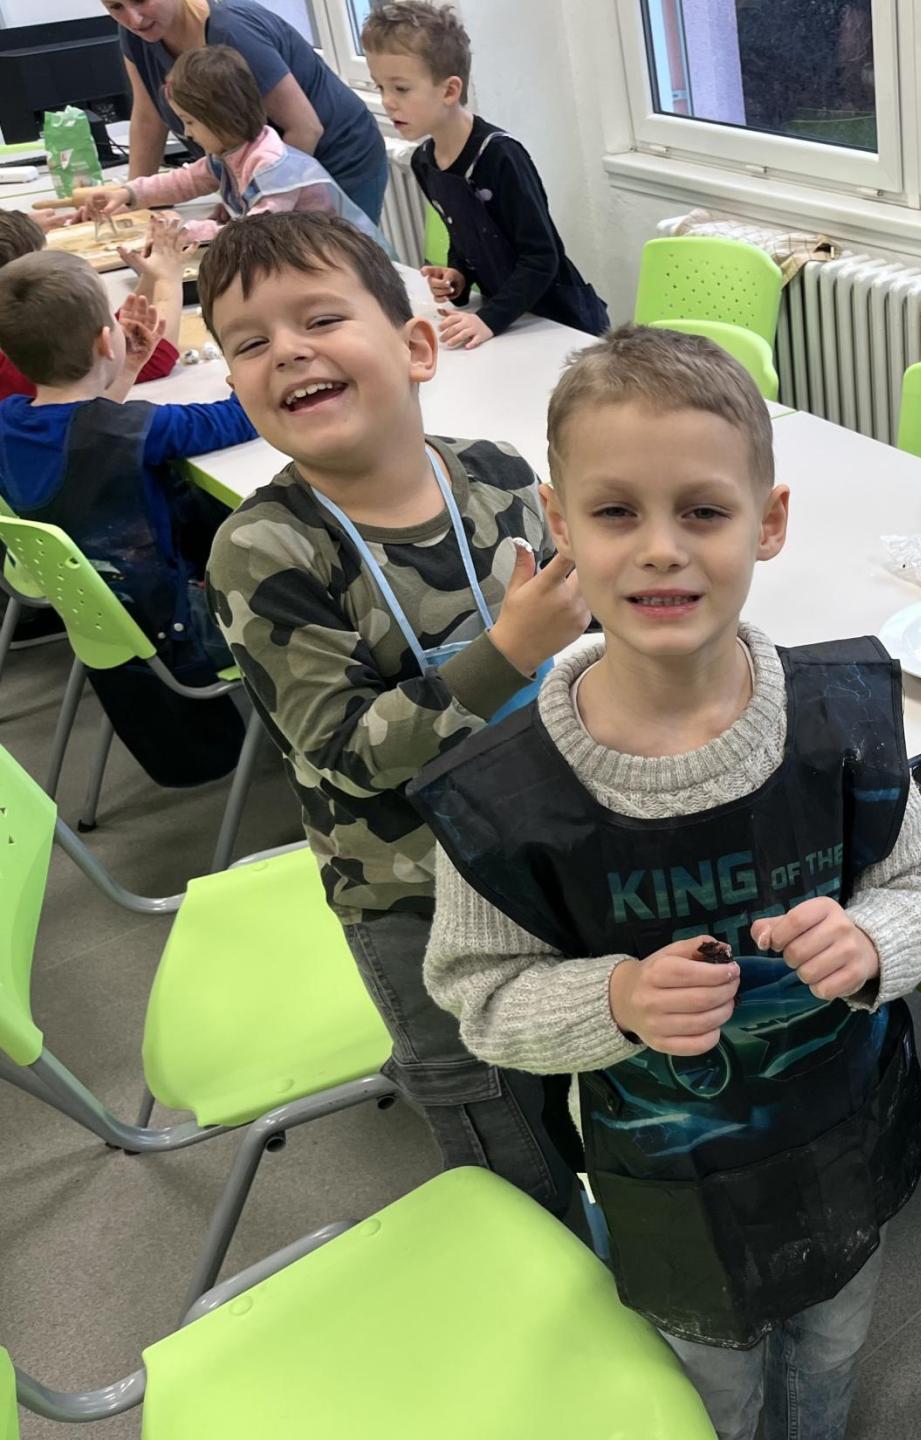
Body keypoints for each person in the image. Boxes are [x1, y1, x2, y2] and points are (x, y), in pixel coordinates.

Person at [412, 325, 921, 1440]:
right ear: (560, 525)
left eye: (703, 512)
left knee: (832, 1349)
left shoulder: (841, 722)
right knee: (710, 1389)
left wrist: (873, 942)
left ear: (769, 521)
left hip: (841, 1144)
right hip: (672, 1192)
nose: (661, 549)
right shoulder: (509, 791)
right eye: (616, 513)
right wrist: (615, 998)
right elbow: (479, 996)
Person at [199, 212, 593, 1218]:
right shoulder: (265, 549)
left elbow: (582, 625)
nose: (287, 350)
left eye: (320, 318)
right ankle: (537, 1257)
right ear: (237, 389)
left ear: (418, 346)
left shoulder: (499, 473)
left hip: (542, 848)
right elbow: (343, 749)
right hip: (411, 897)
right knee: (495, 1124)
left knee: (573, 1061)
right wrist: (510, 649)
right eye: (250, 342)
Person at [0, 248, 254, 784]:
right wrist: (251, 372)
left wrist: (128, 368)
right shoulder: (136, 429)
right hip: (184, 630)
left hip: (113, 625)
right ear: (104, 340)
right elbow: (236, 419)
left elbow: (80, 431)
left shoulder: (10, 421)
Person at [360, 1, 609, 348]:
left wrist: (489, 320)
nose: (388, 101)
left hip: (560, 321)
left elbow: (542, 258)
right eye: (380, 88)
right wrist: (458, 275)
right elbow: (465, 235)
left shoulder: (500, 156)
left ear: (450, 91)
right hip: (508, 321)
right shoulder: (424, 162)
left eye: (401, 88)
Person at [107, 0, 387, 224]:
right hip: (262, 171)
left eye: (141, 0)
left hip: (336, 153)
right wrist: (132, 201)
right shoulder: (137, 34)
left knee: (339, 258)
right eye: (115, 6)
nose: (134, 19)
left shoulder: (234, 31)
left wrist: (249, 198)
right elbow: (148, 118)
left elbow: (305, 128)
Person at [86, 45, 386, 250]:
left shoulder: (272, 167)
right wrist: (128, 193)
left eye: (190, 121)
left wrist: (186, 231)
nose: (187, 133)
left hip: (354, 258)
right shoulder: (232, 151)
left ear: (221, 117)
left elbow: (256, 233)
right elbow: (185, 181)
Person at [0, 210, 189, 401]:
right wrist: (168, 278)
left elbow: (106, 332)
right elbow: (152, 359)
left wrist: (150, 276)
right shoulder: (18, 355)